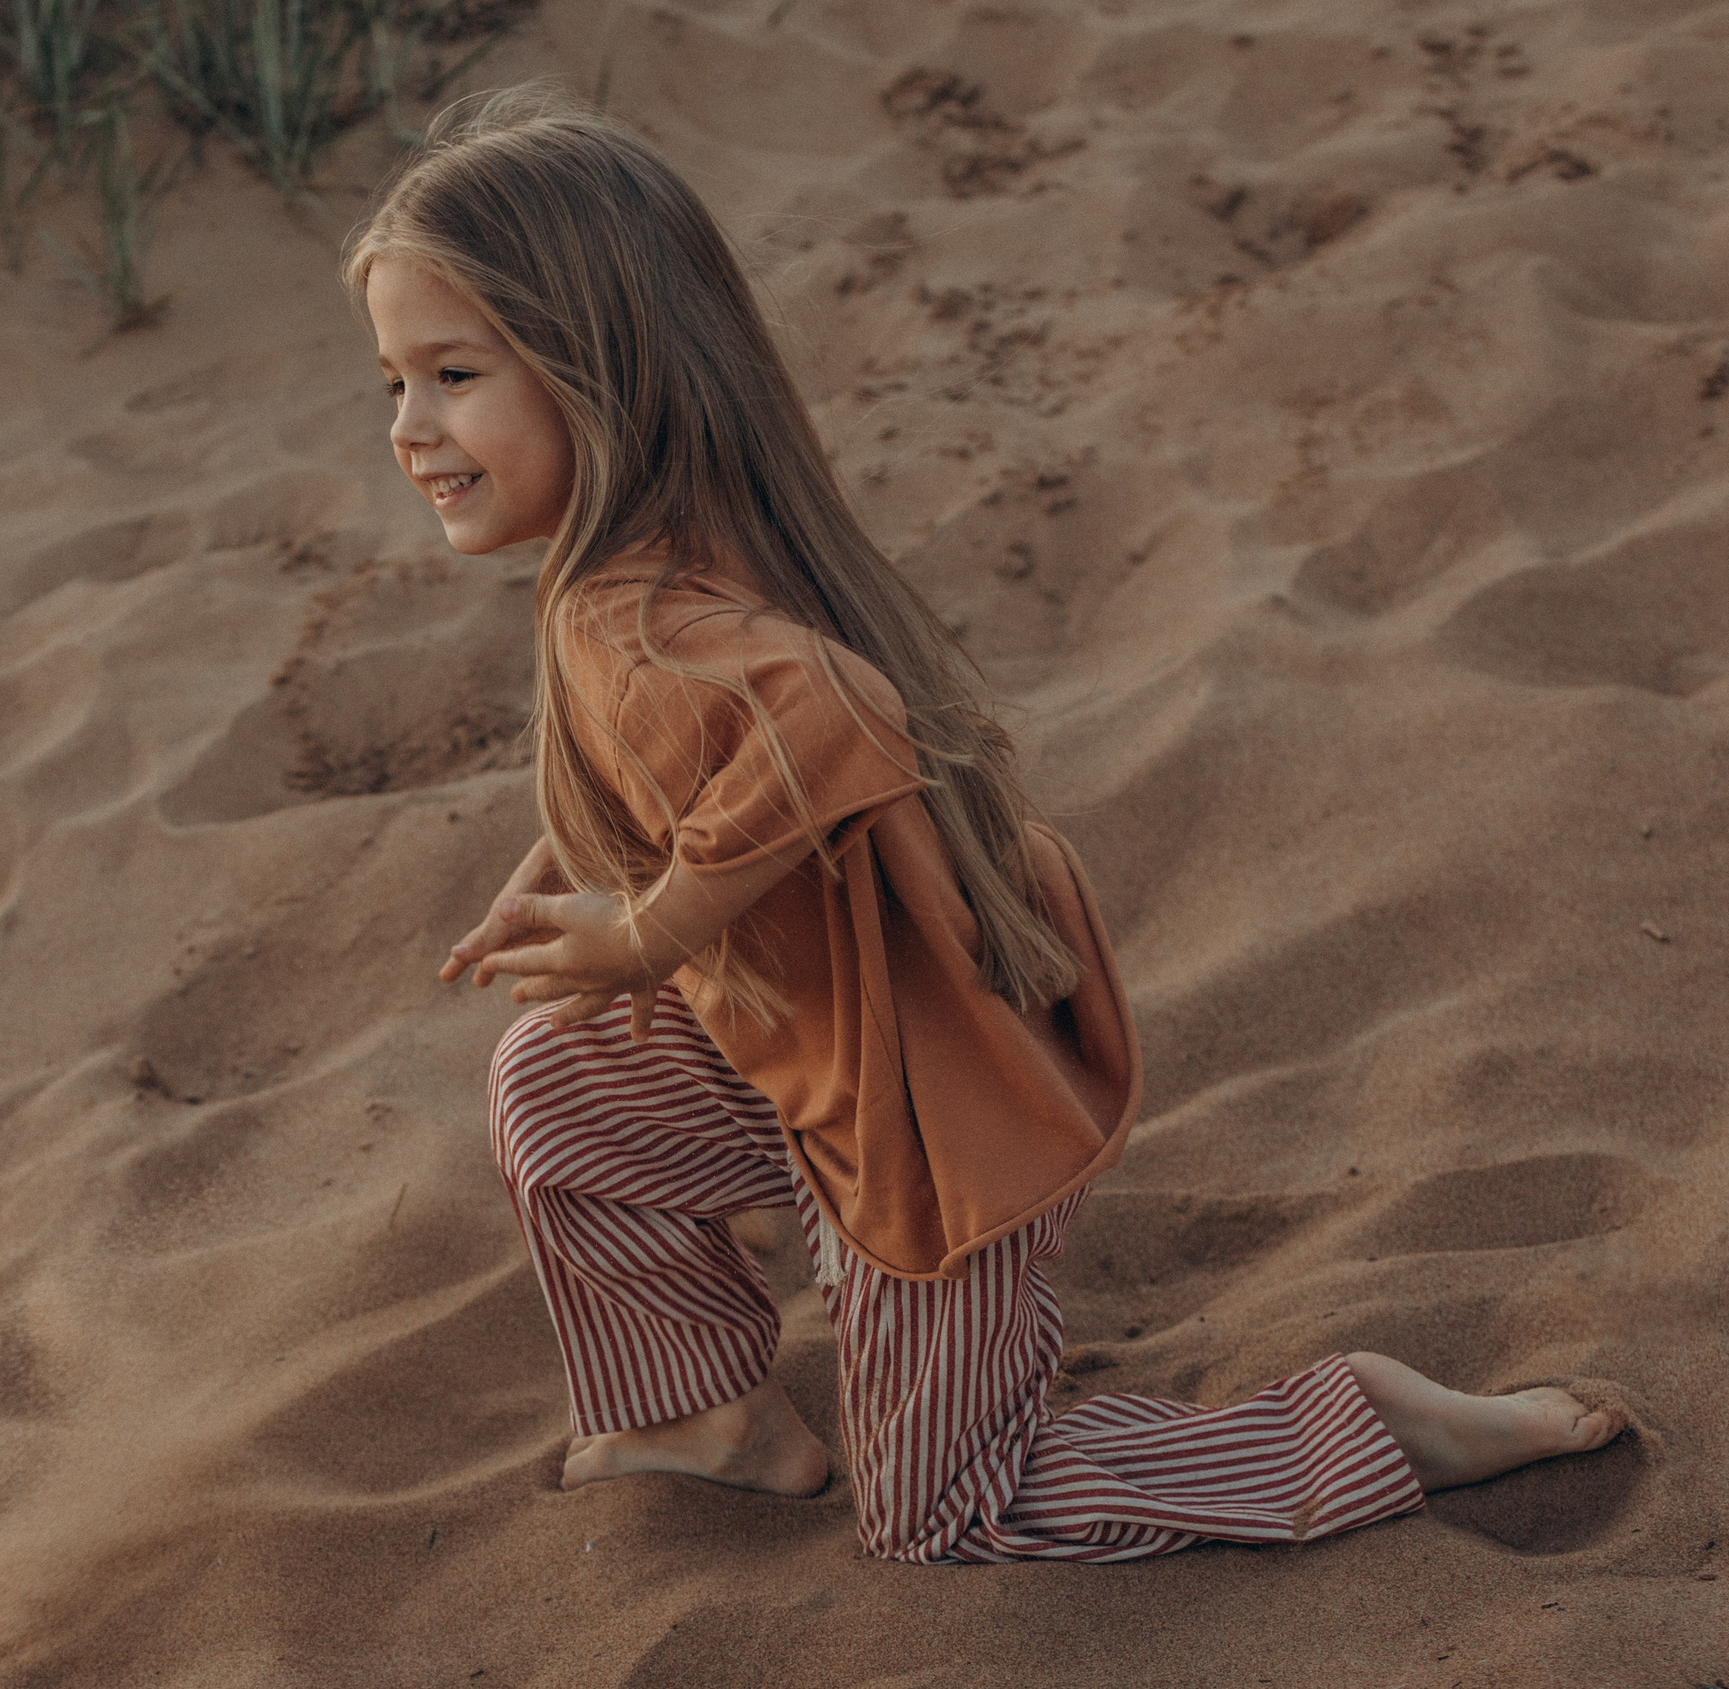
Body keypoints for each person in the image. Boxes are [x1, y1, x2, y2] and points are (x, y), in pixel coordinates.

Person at [345, 85, 1626, 1562]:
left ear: (601, 368)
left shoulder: (628, 613)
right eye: (390, 383)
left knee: (953, 1513)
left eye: (452, 374)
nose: (411, 428)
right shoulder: (690, 523)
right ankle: (695, 1415)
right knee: (561, 1090)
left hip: (926, 1106)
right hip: (823, 1047)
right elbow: (689, 766)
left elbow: (834, 722)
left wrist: (649, 932)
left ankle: (1360, 1425)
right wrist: (577, 867)